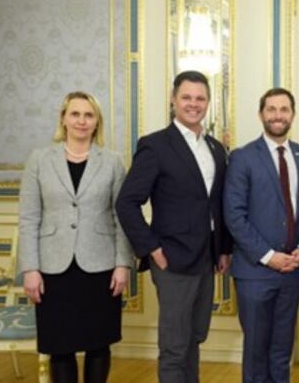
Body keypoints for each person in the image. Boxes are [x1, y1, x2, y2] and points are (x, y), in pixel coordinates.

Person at [115, 70, 232, 383]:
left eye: (200, 98)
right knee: (174, 346)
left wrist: (223, 249)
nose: (193, 104)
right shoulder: (155, 146)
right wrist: (152, 248)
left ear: (208, 102)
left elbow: (217, 204)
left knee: (194, 338)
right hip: (173, 260)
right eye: (187, 97)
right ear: (173, 99)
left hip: (207, 259)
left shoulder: (216, 149)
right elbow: (126, 203)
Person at [17, 91, 134, 383]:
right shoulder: (39, 160)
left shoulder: (112, 161)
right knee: (59, 345)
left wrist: (123, 264)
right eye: (75, 114)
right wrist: (30, 269)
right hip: (52, 267)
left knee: (98, 343)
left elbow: (122, 216)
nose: (82, 121)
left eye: (89, 115)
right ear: (64, 119)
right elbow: (29, 218)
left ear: (97, 122)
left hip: (100, 265)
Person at [224, 87, 299, 383]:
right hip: (254, 272)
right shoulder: (242, 157)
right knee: (256, 351)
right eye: (271, 109)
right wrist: (268, 257)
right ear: (261, 114)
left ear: (293, 115)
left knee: (282, 351)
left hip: (292, 270)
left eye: (284, 109)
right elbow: (234, 216)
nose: (278, 115)